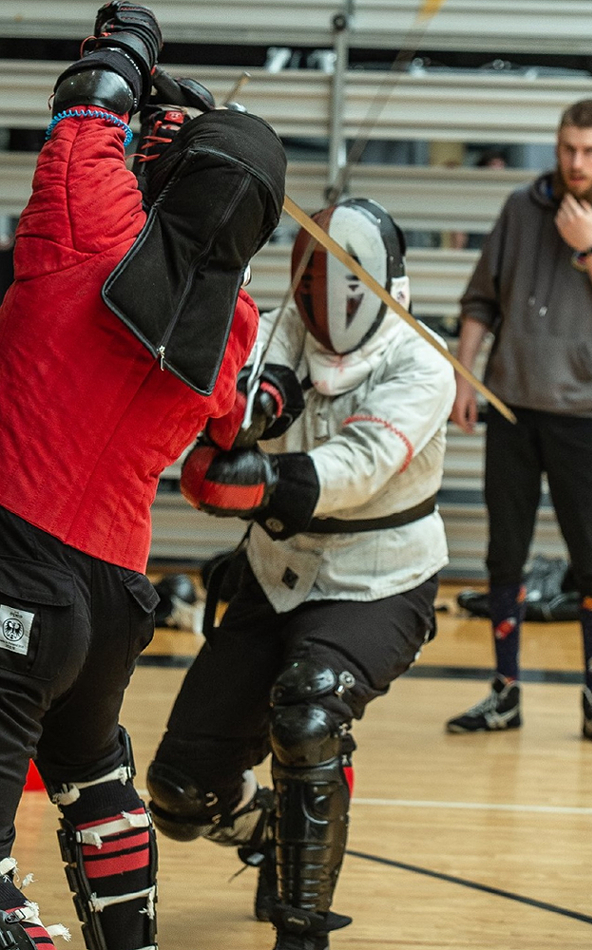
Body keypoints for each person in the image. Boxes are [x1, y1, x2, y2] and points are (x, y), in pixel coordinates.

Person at [0, 4, 286, 950]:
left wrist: (129, 41)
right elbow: (199, 263)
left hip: (19, 563)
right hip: (114, 596)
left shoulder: (86, 231)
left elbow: (88, 110)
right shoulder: (230, 332)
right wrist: (181, 147)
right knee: (92, 776)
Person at [146, 198, 456, 950]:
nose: (328, 303)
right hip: (275, 572)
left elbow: (358, 466)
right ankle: (275, 828)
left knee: (309, 718)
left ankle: (301, 928)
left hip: (377, 583)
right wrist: (235, 425)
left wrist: (257, 483)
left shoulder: (423, 364)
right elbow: (264, 388)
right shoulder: (292, 319)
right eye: (316, 286)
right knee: (181, 795)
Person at [446, 98, 592, 745]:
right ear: (557, 146)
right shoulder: (520, 209)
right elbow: (480, 300)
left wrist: (590, 249)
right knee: (505, 555)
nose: (575, 162)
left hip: (586, 415)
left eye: (589, 150)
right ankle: (504, 694)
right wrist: (464, 374)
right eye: (566, 148)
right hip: (511, 408)